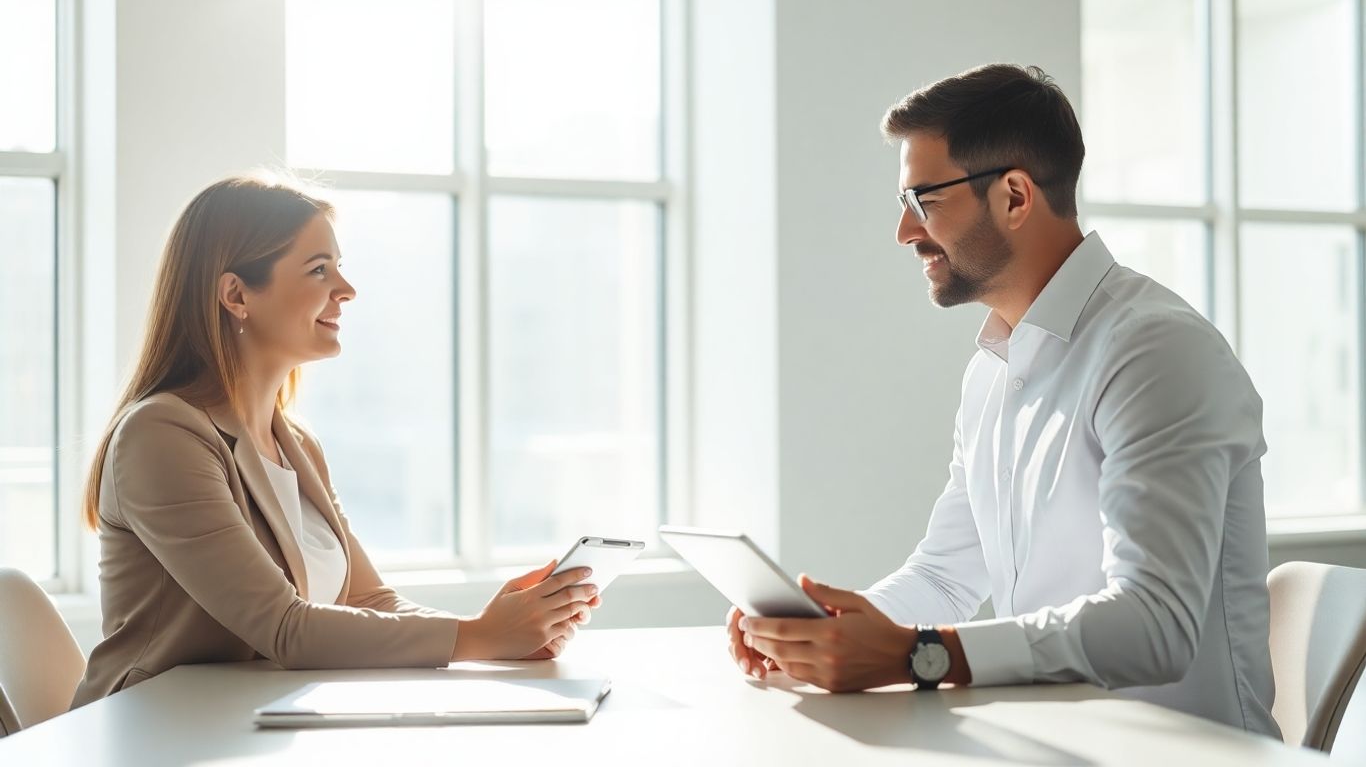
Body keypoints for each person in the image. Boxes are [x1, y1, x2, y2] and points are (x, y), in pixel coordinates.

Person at [725, 64, 1279, 737]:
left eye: (924, 200)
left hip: (1190, 755)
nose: (905, 231)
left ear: (1015, 196)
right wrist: (827, 639)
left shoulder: (1155, 352)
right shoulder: (993, 369)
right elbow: (947, 575)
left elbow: (1155, 624)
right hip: (1056, 744)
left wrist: (924, 655)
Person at [72, 174, 599, 708]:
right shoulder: (161, 434)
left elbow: (368, 598)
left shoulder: (297, 443)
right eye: (319, 269)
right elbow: (284, 627)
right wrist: (481, 636)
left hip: (248, 724)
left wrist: (499, 629)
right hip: (150, 736)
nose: (346, 290)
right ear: (236, 294)